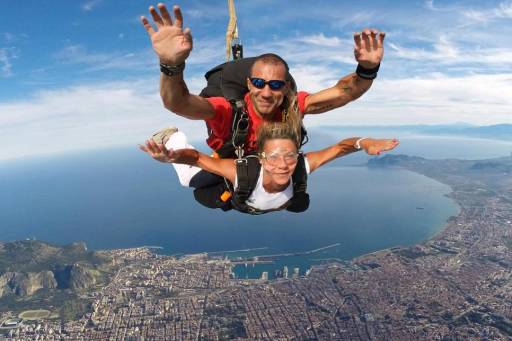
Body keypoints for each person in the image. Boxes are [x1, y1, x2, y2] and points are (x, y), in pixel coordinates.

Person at [140, 4, 386, 157]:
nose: (266, 92)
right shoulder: (228, 110)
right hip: (229, 160)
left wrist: (366, 70)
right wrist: (171, 66)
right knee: (195, 184)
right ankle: (175, 137)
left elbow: (344, 93)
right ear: (248, 84)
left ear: (286, 87)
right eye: (259, 83)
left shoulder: (292, 107)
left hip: (272, 164)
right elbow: (178, 104)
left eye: (276, 85)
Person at [139, 123, 399, 214]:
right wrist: (171, 156)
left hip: (240, 196)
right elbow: (195, 158)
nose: (283, 164)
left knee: (300, 205)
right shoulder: (241, 172)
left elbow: (340, 148)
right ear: (262, 159)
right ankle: (173, 134)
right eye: (274, 156)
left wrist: (365, 143)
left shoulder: (302, 167)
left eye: (290, 155)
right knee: (191, 184)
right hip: (230, 186)